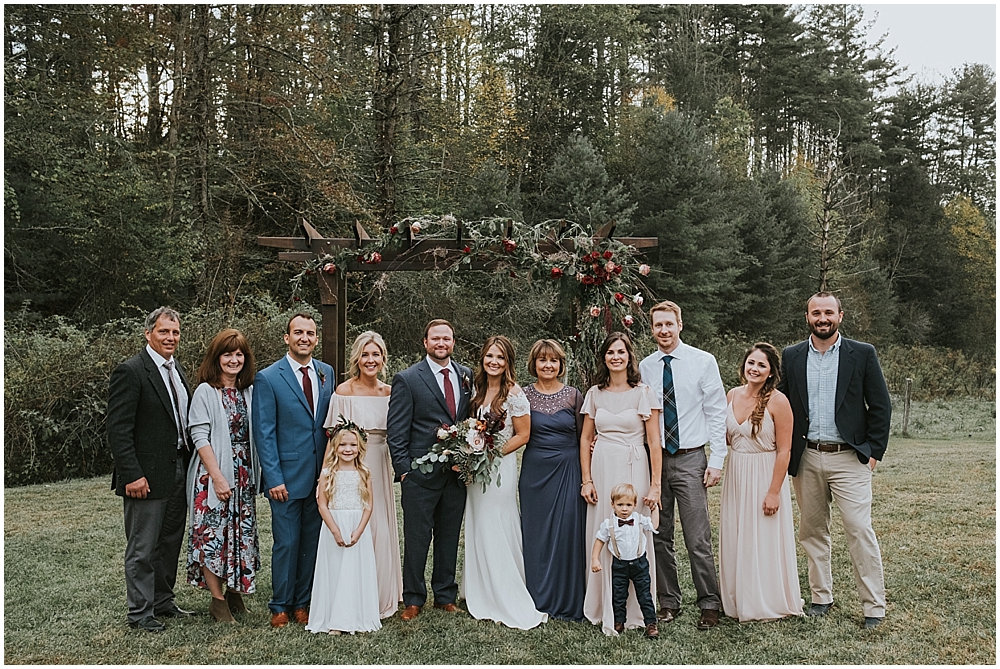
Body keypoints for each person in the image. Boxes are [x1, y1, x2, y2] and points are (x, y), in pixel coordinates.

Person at [778, 292, 891, 630]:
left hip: (850, 458)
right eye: (816, 313)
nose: (822, 318)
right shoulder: (793, 355)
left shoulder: (862, 354)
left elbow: (881, 406)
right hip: (808, 456)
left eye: (828, 312)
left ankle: (873, 605)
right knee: (812, 531)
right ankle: (820, 597)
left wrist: (873, 454)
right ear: (808, 316)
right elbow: (782, 405)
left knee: (859, 529)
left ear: (840, 316)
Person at [638, 300, 727, 631]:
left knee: (697, 536)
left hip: (691, 458)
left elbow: (717, 412)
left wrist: (716, 460)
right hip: (656, 460)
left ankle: (709, 603)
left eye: (669, 324)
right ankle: (668, 601)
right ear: (652, 329)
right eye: (658, 325)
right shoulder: (645, 367)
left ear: (680, 325)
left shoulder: (703, 362)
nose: (663, 330)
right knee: (659, 535)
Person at [107, 306, 194, 632]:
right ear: (148, 334)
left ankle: (163, 601)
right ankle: (141, 614)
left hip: (177, 470)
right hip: (144, 476)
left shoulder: (177, 370)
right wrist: (131, 474)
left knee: (169, 542)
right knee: (142, 548)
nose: (170, 337)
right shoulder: (131, 371)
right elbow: (117, 429)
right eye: (163, 332)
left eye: (175, 332)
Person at [252, 313, 335, 628]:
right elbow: (265, 432)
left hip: (319, 477)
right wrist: (273, 477)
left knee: (312, 541)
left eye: (310, 333)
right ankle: (280, 605)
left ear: (315, 338)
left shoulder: (326, 373)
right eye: (298, 332)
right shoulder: (269, 377)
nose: (304, 338)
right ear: (286, 338)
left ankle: (303, 602)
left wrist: (329, 473)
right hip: (284, 478)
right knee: (287, 543)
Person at [387, 319, 472, 621]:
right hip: (420, 476)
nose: (441, 343)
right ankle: (413, 598)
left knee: (449, 537)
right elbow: (396, 431)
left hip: (455, 473)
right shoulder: (408, 378)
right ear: (425, 342)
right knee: (417, 538)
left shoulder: (466, 375)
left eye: (446, 338)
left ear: (453, 342)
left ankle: (445, 595)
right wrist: (404, 471)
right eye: (435, 338)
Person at [461, 335, 547, 630]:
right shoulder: (476, 390)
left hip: (499, 468)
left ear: (508, 362)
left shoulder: (514, 394)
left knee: (496, 522)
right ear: (482, 359)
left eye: (500, 357)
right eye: (489, 356)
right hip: (476, 469)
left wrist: (491, 452)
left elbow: (523, 435)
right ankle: (479, 588)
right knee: (478, 522)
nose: (494, 362)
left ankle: (504, 591)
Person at [581, 331, 662, 637]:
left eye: (621, 352)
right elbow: (586, 438)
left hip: (634, 468)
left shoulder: (643, 392)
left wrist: (655, 486)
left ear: (630, 356)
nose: (616, 357)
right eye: (610, 352)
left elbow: (654, 442)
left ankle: (640, 610)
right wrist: (586, 479)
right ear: (604, 357)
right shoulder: (595, 393)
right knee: (603, 529)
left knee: (636, 532)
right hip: (601, 467)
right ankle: (603, 606)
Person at [718, 343, 802, 622]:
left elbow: (784, 450)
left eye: (761, 365)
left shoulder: (778, 401)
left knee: (762, 536)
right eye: (751, 363)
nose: (754, 369)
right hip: (737, 472)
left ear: (771, 372)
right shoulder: (731, 395)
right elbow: (728, 437)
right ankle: (737, 597)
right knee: (736, 532)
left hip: (765, 473)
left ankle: (766, 599)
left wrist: (774, 492)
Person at [185, 329, 261, 623]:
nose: (234, 359)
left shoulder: (248, 392)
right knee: (213, 536)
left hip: (243, 475)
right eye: (227, 354)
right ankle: (217, 602)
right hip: (214, 474)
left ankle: (234, 593)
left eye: (239, 353)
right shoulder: (206, 391)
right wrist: (217, 477)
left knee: (239, 535)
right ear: (216, 358)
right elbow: (199, 436)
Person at [325, 331, 402, 619]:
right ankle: (350, 597)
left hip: (379, 463)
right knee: (354, 524)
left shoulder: (391, 393)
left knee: (380, 525)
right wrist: (325, 475)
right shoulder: (343, 392)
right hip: (350, 466)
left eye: (376, 355)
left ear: (383, 359)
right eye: (365, 355)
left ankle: (381, 594)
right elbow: (333, 439)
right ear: (357, 359)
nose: (370, 360)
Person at [520, 339, 587, 622]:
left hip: (568, 470)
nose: (548, 365)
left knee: (568, 532)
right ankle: (536, 596)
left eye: (554, 360)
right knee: (535, 534)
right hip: (535, 473)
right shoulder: (521, 395)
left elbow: (585, 436)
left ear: (561, 365)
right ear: (533, 364)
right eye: (542, 360)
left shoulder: (574, 395)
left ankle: (569, 597)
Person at [306, 420, 381, 635]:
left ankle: (358, 616)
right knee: (336, 571)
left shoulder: (364, 473)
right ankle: (334, 620)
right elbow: (322, 504)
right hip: (334, 526)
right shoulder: (328, 473)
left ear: (360, 448)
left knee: (355, 571)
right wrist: (335, 530)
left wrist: (358, 530)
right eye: (342, 445)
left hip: (357, 528)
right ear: (335, 447)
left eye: (353, 445)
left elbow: (368, 506)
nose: (348, 449)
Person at [591, 483, 660, 639]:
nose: (624, 509)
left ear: (635, 505)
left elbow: (654, 525)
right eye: (620, 504)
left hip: (640, 564)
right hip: (619, 565)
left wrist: (654, 509)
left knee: (644, 595)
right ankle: (619, 621)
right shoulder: (608, 524)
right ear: (612, 505)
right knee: (619, 595)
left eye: (628, 505)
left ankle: (651, 623)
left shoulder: (639, 519)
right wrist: (595, 559)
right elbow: (599, 541)